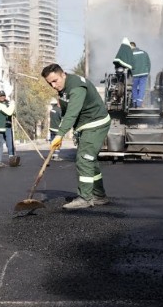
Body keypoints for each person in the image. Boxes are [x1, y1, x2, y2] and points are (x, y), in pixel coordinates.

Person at [41, 63, 111, 209]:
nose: (53, 86)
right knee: (90, 160)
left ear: (63, 74)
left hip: (95, 123)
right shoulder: (63, 89)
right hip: (85, 125)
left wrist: (60, 135)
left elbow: (72, 112)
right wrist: (60, 134)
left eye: (55, 81)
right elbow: (66, 113)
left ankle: (85, 198)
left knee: (83, 159)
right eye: (50, 83)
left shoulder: (77, 87)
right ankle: (99, 195)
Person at [130, 42, 151, 108]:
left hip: (135, 74)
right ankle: (139, 102)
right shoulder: (144, 53)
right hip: (144, 73)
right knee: (142, 88)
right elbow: (149, 63)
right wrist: (147, 72)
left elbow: (128, 65)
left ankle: (135, 102)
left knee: (134, 88)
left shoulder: (130, 54)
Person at [0, 91, 16, 159]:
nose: (2, 97)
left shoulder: (8, 103)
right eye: (1, 96)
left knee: (9, 141)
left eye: (3, 96)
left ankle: (11, 155)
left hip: (8, 125)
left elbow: (12, 111)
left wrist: (14, 114)